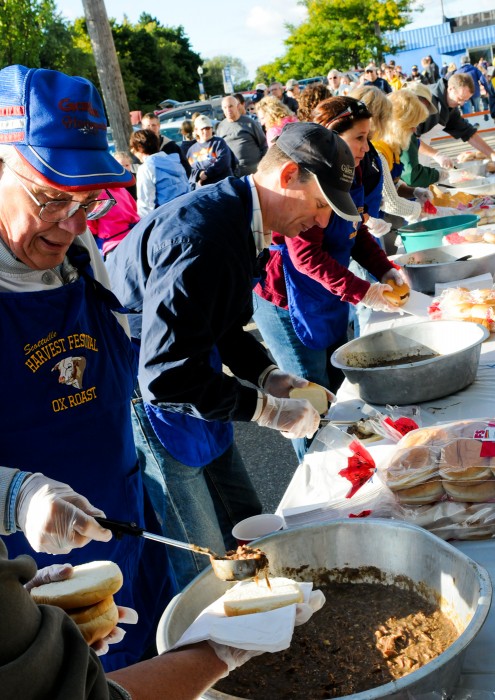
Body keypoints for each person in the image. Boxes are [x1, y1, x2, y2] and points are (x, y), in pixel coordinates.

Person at [105, 122, 354, 587]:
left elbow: (222, 324)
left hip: (194, 366)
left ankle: (269, 606)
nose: (322, 222)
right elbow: (165, 378)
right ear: (288, 176)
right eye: (321, 204)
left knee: (246, 518)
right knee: (201, 551)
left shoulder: (244, 217)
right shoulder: (203, 237)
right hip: (146, 388)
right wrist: (267, 412)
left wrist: (267, 377)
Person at [0, 63, 176, 672]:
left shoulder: (79, 252)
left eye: (90, 200)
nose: (75, 223)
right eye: (52, 197)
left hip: (125, 517)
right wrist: (17, 497)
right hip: (29, 572)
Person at [252, 98, 401, 462]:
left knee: (337, 392)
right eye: (360, 138)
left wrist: (384, 269)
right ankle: (315, 478)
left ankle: (347, 463)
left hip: (328, 296)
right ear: (331, 139)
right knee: (310, 401)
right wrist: (364, 291)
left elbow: (355, 232)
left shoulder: (355, 173)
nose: (367, 148)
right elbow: (305, 258)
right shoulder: (306, 189)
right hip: (289, 301)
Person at [371, 89, 433, 226]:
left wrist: (414, 192)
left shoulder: (393, 147)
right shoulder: (379, 151)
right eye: (411, 126)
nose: (414, 130)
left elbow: (392, 184)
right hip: (372, 223)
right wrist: (421, 210)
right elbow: (390, 202)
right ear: (397, 124)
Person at [416, 73, 495, 169]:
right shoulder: (426, 101)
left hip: (422, 151)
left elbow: (467, 132)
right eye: (460, 98)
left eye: (465, 100)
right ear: (450, 89)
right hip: (404, 150)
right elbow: (409, 138)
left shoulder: (450, 105)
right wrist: (436, 155)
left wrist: (492, 154)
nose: (461, 104)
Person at [399, 82, 449, 188]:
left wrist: (436, 155)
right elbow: (412, 175)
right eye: (422, 108)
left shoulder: (406, 125)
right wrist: (436, 175)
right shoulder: (400, 128)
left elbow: (415, 143)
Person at [129, 129, 190, 217]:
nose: (134, 154)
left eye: (133, 150)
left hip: (166, 218)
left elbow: (145, 205)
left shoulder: (146, 168)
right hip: (187, 212)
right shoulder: (175, 161)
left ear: (139, 147)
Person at [216, 95, 267, 175]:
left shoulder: (250, 123)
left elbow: (264, 145)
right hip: (233, 174)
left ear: (237, 106)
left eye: (230, 106)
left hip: (255, 172)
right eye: (225, 108)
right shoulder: (221, 127)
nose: (228, 110)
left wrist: (264, 166)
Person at [87, 185, 140, 259]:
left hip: (114, 246)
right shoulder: (120, 187)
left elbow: (91, 228)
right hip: (136, 236)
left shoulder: (94, 194)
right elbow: (134, 207)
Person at [187, 115, 236, 187]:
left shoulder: (219, 143)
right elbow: (187, 171)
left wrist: (207, 174)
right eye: (202, 129)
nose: (205, 131)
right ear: (196, 130)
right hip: (202, 190)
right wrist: (199, 174)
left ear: (211, 129)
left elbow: (224, 163)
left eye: (207, 128)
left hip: (223, 185)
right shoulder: (191, 151)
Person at [140, 111, 191, 177]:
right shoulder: (140, 148)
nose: (151, 128)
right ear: (143, 127)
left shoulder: (171, 146)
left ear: (159, 126)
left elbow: (186, 168)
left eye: (153, 125)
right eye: (148, 126)